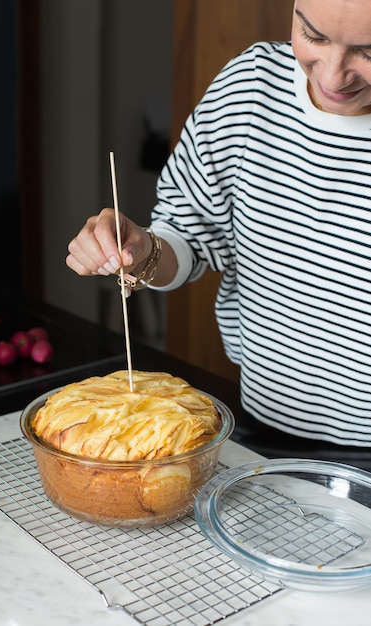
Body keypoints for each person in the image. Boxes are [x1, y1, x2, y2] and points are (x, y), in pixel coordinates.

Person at [66, 0, 371, 451]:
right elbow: (190, 236)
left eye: (367, 51)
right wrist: (140, 250)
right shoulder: (252, 86)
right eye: (313, 36)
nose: (330, 76)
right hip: (260, 426)